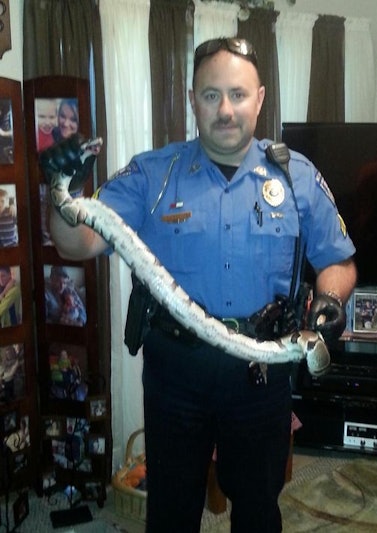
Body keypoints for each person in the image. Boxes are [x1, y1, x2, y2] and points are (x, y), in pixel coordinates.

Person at [42, 38, 357, 532]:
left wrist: (332, 302)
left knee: (257, 507)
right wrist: (58, 189)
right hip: (177, 375)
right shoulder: (152, 174)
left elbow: (338, 260)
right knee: (171, 508)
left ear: (261, 98)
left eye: (237, 94)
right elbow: (75, 243)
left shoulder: (296, 177)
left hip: (263, 370)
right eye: (211, 95)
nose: (225, 109)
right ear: (192, 100)